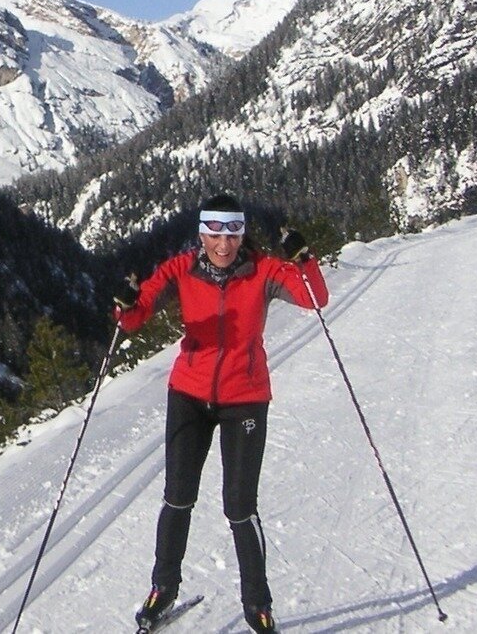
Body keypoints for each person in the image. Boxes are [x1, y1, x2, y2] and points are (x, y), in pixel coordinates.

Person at [113, 193, 328, 633]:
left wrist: (304, 259)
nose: (223, 245)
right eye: (214, 233)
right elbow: (134, 319)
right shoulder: (181, 269)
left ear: (242, 234)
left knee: (239, 506)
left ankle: (258, 605)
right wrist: (126, 303)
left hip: (244, 396)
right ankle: (163, 589)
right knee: (177, 496)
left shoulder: (264, 270)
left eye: (232, 234)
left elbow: (314, 298)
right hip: (189, 393)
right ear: (202, 234)